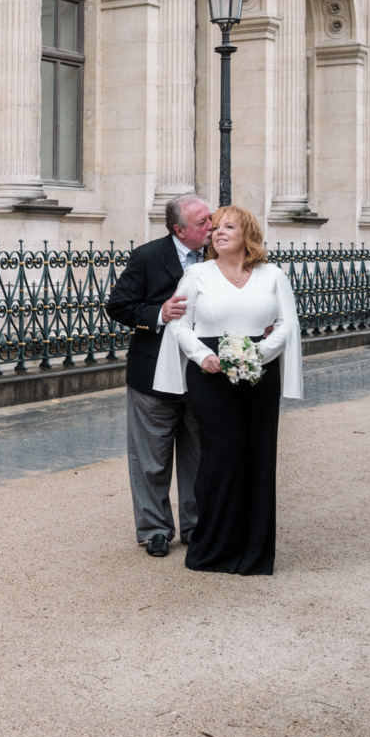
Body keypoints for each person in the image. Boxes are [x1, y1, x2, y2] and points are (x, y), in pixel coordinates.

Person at [153, 206, 303, 575]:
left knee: (259, 456)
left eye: (228, 226)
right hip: (210, 376)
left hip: (260, 375)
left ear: (247, 233)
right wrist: (202, 355)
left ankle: (254, 552)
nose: (218, 232)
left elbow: (287, 324)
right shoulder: (196, 274)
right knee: (225, 455)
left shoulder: (272, 275)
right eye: (215, 227)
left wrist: (260, 353)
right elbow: (179, 324)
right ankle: (212, 549)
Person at [105, 193, 210, 558]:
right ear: (179, 230)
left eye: (211, 219)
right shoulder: (148, 256)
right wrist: (159, 313)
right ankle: (154, 530)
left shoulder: (218, 255)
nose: (211, 227)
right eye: (202, 223)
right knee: (150, 460)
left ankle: (196, 527)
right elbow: (117, 305)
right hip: (151, 374)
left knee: (199, 457)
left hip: (202, 373)